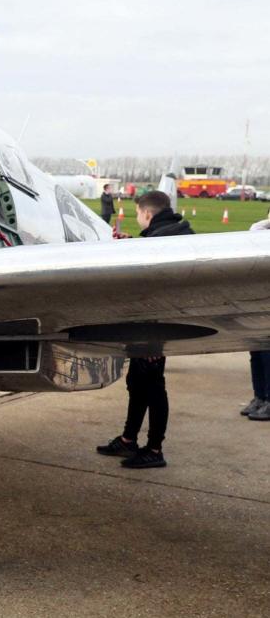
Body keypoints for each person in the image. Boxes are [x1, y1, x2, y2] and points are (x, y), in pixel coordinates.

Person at [97, 191, 193, 468]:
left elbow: (161, 290)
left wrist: (154, 339)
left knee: (152, 388)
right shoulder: (173, 233)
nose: (138, 218)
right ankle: (129, 440)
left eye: (139, 214)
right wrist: (132, 245)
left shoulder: (163, 241)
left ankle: (154, 449)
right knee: (138, 384)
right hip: (151, 327)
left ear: (147, 214)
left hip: (155, 329)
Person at [242, 211, 270, 420]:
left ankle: (269, 399)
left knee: (268, 353)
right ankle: (259, 395)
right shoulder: (261, 231)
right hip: (260, 301)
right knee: (256, 351)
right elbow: (254, 233)